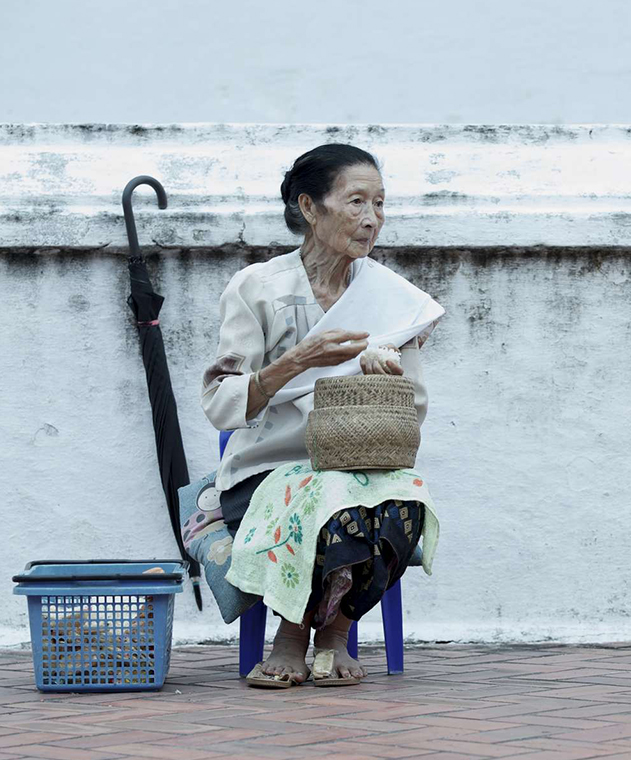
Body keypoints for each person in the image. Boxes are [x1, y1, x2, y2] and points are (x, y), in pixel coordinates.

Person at [201, 144, 441, 687]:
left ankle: (333, 632)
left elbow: (415, 410)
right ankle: (295, 635)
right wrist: (297, 361)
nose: (371, 218)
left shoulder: (393, 298)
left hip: (360, 467)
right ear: (309, 207)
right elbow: (220, 402)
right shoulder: (257, 288)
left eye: (380, 203)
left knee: (406, 498)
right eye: (356, 201)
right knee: (332, 496)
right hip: (266, 473)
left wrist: (384, 384)